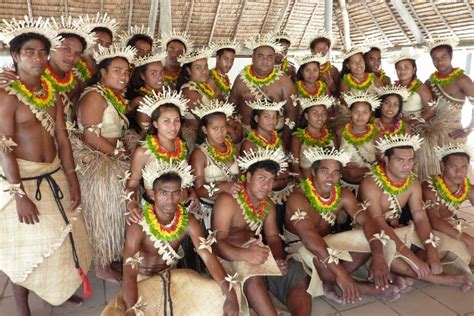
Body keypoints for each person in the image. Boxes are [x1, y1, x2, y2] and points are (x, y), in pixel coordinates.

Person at [0, 17, 92, 313]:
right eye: (29, 52)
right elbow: (4, 147)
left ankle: (58, 291)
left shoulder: (52, 95)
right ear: (15, 56)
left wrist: (73, 177)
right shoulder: (6, 95)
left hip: (54, 173)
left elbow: (63, 140)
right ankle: (22, 306)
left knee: (63, 237)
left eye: (42, 52)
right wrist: (19, 195)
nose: (37, 58)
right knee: (26, 249)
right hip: (23, 179)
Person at [102, 160, 239, 315]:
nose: (170, 199)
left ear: (181, 193)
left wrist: (231, 296)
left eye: (175, 192)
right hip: (141, 282)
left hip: (172, 278)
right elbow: (129, 273)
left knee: (217, 295)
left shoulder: (189, 223)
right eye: (164, 193)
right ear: (153, 195)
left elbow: (208, 257)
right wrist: (133, 310)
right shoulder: (138, 225)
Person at [284, 147, 399, 303]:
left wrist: (378, 257)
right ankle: (365, 287)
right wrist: (342, 274)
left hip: (329, 242)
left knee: (374, 238)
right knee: (323, 262)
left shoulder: (343, 194)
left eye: (336, 173)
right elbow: (309, 238)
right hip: (301, 246)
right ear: (313, 172)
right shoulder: (298, 197)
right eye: (325, 171)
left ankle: (329, 283)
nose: (330, 178)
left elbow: (368, 221)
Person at [360, 134, 473, 292]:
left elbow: (420, 216)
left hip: (400, 230)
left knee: (441, 244)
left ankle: (405, 274)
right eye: (400, 160)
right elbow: (377, 222)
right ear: (386, 159)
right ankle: (441, 279)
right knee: (395, 260)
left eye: (410, 160)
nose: (407, 166)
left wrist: (431, 250)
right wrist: (412, 258)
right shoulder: (370, 183)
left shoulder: (412, 182)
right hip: (372, 234)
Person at [212, 148, 312, 316]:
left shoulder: (268, 205)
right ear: (249, 177)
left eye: (271, 180)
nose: (266, 185)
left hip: (257, 253)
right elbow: (217, 244)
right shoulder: (227, 200)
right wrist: (245, 255)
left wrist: (279, 258)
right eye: (261, 178)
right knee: (252, 276)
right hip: (229, 257)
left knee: (298, 272)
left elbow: (273, 237)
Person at [74, 44, 136, 283]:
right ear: (102, 72)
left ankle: (114, 254)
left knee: (120, 214)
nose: (123, 76)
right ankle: (102, 263)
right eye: (117, 70)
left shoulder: (112, 96)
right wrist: (118, 154)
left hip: (115, 161)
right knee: (104, 215)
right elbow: (90, 136)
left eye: (126, 72)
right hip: (101, 165)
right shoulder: (93, 96)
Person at [126, 88, 200, 222]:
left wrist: (192, 192)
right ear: (155, 124)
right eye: (166, 121)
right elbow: (132, 185)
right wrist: (131, 203)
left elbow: (183, 179)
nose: (173, 126)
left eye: (176, 121)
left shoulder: (181, 147)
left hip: (183, 209)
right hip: (155, 215)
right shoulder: (143, 152)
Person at [229, 33, 297, 145]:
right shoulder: (241, 79)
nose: (265, 61)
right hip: (245, 135)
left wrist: (284, 142)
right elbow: (230, 108)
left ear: (274, 59)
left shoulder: (284, 82)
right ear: (252, 58)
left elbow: (292, 114)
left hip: (274, 137)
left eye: (269, 57)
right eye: (260, 56)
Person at [190, 100, 241, 228]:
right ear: (205, 130)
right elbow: (199, 190)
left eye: (223, 127)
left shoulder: (233, 148)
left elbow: (241, 176)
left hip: (234, 206)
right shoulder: (199, 155)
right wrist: (223, 187)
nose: (221, 132)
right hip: (209, 210)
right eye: (215, 128)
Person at [422, 143, 474, 265]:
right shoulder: (429, 187)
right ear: (442, 166)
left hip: (451, 225)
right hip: (427, 228)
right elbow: (434, 221)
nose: (459, 172)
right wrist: (467, 239)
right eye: (453, 166)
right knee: (439, 253)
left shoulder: (467, 188)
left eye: (463, 167)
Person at [241, 99, 295, 206]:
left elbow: (285, 166)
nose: (272, 120)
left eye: (274, 117)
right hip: (261, 195)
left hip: (283, 191)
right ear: (257, 118)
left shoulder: (278, 141)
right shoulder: (249, 144)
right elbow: (249, 178)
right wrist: (277, 182)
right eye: (266, 116)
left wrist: (285, 178)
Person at [426, 38, 474, 142]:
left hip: (452, 136)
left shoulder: (462, 80)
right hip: (431, 136)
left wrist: (469, 129)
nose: (440, 62)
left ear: (451, 56)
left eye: (444, 57)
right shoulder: (430, 82)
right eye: (435, 58)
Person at [176, 47, 218, 151]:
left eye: (206, 67)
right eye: (198, 68)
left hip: (211, 133)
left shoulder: (203, 86)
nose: (204, 71)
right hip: (196, 139)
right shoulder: (188, 90)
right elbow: (205, 119)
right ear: (188, 70)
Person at [338, 92, 379, 192]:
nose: (360, 116)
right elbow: (333, 156)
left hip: (369, 185)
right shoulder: (340, 132)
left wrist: (363, 171)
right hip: (342, 184)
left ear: (370, 113)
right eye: (356, 112)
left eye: (365, 112)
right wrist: (342, 169)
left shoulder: (377, 135)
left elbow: (384, 163)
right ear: (350, 112)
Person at [291, 96, 336, 179]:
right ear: (306, 116)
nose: (320, 117)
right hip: (307, 185)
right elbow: (295, 168)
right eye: (315, 113)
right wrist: (308, 187)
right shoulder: (297, 138)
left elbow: (336, 164)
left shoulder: (331, 136)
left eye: (323, 113)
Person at [126, 52, 166, 136]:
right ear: (142, 76)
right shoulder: (142, 101)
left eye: (162, 72)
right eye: (153, 73)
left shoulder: (167, 93)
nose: (160, 77)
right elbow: (147, 135)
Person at [74, 13, 118, 83]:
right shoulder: (72, 63)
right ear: (87, 41)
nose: (103, 47)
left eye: (107, 45)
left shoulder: (106, 68)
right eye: (99, 42)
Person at [309, 29, 339, 95]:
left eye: (324, 48)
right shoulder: (305, 68)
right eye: (318, 48)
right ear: (312, 50)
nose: (321, 51)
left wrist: (332, 86)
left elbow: (339, 93)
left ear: (328, 49)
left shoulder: (333, 70)